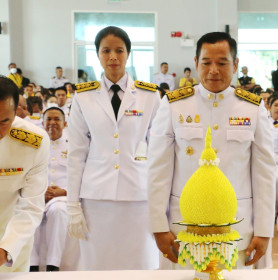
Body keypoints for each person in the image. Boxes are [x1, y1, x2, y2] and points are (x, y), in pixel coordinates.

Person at [148, 32, 276, 269]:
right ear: (196, 63)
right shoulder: (175, 105)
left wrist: (264, 230)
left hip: (237, 230)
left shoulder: (253, 108)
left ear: (235, 65)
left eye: (222, 63)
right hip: (184, 229)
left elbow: (265, 174)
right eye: (206, 63)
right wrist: (158, 225)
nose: (213, 70)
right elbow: (158, 170)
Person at [67, 26, 160, 270]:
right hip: (96, 198)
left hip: (139, 195)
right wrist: (72, 205)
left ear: (128, 54)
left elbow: (160, 151)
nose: (113, 57)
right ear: (97, 54)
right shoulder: (83, 97)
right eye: (106, 50)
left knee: (141, 263)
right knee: (98, 265)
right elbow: (77, 154)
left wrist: (163, 202)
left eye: (119, 50)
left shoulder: (149, 96)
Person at [0, 76, 49, 272]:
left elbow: (31, 206)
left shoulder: (33, 142)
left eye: (4, 121)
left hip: (11, 245)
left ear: (17, 113)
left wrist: (6, 248)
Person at [30, 107, 73, 272]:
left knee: (58, 211)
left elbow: (81, 177)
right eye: (48, 119)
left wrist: (64, 191)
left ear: (65, 123)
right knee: (31, 211)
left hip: (62, 197)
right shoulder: (34, 146)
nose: (52, 123)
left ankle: (53, 265)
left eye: (57, 119)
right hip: (37, 195)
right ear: (42, 122)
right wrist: (39, 191)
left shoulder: (73, 148)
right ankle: (32, 264)